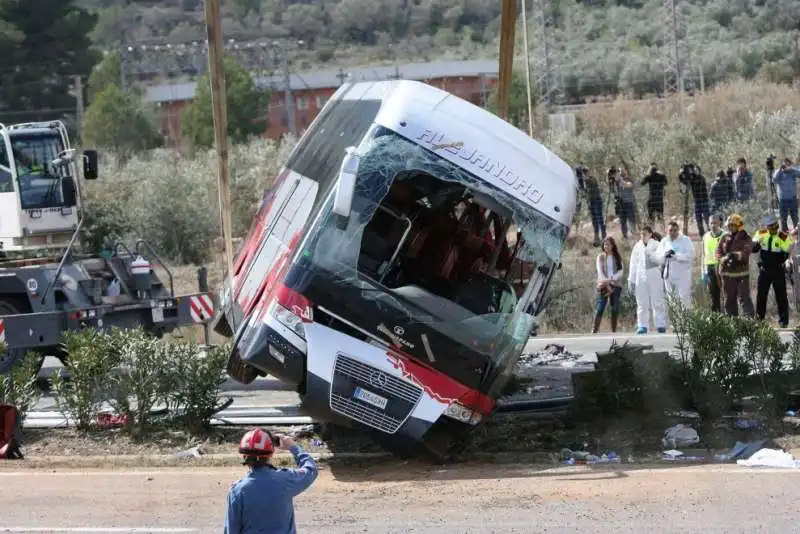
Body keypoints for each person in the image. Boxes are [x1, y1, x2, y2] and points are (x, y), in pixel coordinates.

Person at [225, 428, 319, 534]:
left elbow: (231, 530)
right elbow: (311, 469)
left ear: (244, 456)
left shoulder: (236, 491)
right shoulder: (285, 479)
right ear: (271, 454)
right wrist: (293, 447)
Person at [752, 214, 793, 328]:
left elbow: (789, 248)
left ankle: (783, 322)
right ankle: (759, 321)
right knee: (761, 296)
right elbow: (753, 246)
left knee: (781, 296)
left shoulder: (782, 235)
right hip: (764, 270)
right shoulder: (761, 232)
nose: (772, 228)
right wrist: (756, 243)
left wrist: (787, 260)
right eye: (769, 226)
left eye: (774, 225)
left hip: (778, 270)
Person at [627, 226, 667, 334]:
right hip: (640, 275)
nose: (642, 236)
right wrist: (631, 279)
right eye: (641, 234)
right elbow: (633, 264)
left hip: (654, 274)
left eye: (645, 234)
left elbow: (661, 259)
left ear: (650, 234)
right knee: (641, 302)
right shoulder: (637, 246)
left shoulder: (656, 244)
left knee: (657, 300)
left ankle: (660, 324)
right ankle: (642, 325)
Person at [715, 213, 755, 317]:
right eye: (729, 225)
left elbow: (747, 252)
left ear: (738, 226)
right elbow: (718, 251)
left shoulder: (746, 237)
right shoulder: (724, 237)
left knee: (745, 298)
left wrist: (735, 255)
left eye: (732, 225)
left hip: (742, 274)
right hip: (727, 275)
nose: (730, 227)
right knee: (729, 300)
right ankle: (732, 324)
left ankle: (749, 323)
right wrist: (723, 259)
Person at [657, 220, 695, 309]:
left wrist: (676, 256)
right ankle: (675, 322)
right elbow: (658, 257)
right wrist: (665, 255)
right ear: (667, 230)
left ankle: (687, 322)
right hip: (669, 276)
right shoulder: (664, 241)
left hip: (683, 276)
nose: (673, 232)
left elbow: (691, 255)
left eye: (675, 230)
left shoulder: (685, 240)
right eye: (671, 230)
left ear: (678, 230)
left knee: (684, 300)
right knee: (672, 300)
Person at [592, 236, 624, 333]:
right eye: (605, 244)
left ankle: (613, 331)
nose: (606, 246)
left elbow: (621, 271)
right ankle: (594, 330)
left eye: (608, 244)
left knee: (614, 308)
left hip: (615, 285)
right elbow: (600, 272)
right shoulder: (600, 257)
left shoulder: (617, 257)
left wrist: (612, 279)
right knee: (601, 307)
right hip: (604, 285)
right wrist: (606, 283)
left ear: (613, 245)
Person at [701, 214, 724, 313]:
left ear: (720, 222)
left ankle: (729, 319)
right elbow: (703, 255)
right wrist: (703, 272)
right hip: (709, 268)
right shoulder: (705, 236)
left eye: (715, 222)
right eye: (711, 223)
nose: (713, 225)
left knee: (725, 294)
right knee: (713, 295)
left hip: (722, 267)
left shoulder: (725, 235)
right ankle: (716, 319)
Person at [771, 158, 800, 232]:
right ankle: (784, 235)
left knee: (795, 217)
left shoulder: (793, 172)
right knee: (783, 218)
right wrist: (780, 169)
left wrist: (792, 168)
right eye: (785, 164)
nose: (786, 166)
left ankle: (797, 233)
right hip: (783, 200)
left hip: (792, 199)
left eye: (788, 164)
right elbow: (774, 180)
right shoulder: (779, 172)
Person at [581, 169, 606, 247]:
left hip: (597, 200)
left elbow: (591, 182)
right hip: (591, 202)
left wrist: (583, 178)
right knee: (594, 220)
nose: (585, 174)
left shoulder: (591, 179)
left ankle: (603, 236)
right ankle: (597, 237)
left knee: (599, 219)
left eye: (585, 172)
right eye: (584, 172)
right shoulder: (584, 181)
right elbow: (584, 190)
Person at [641, 162, 668, 227]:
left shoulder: (649, 176)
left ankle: (653, 231)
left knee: (651, 218)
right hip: (659, 199)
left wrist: (648, 173)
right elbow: (666, 183)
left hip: (652, 199)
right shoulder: (661, 175)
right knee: (660, 217)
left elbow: (642, 183)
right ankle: (662, 231)